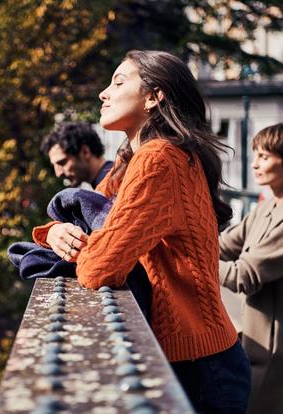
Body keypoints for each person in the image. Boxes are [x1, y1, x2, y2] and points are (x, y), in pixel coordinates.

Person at [33, 50, 251, 413]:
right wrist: (54, 233)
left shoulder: (158, 160)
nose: (104, 93)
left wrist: (78, 244)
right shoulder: (136, 160)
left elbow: (98, 267)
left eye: (118, 82)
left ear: (153, 97)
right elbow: (85, 217)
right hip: (204, 355)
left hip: (201, 367)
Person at [219, 123, 283, 414]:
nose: (255, 164)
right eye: (255, 155)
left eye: (265, 156)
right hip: (256, 342)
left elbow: (243, 275)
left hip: (274, 351)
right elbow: (223, 245)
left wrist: (186, 259)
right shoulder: (267, 206)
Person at [41, 122, 113, 189]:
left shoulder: (115, 181)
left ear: (85, 152)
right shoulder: (108, 183)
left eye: (62, 163)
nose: (58, 173)